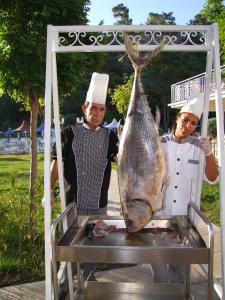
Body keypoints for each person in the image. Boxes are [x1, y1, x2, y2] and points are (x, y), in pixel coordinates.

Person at [46, 72, 118, 299]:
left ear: (105, 111)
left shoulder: (110, 136)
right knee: (70, 251)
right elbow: (56, 165)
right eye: (93, 108)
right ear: (84, 107)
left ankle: (89, 286)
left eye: (101, 109)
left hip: (99, 205)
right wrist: (48, 190)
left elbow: (121, 163)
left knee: (95, 251)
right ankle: (63, 290)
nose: (97, 113)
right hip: (73, 204)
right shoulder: (68, 133)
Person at [152, 92, 218, 283]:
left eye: (193, 123)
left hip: (186, 221)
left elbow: (213, 178)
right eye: (185, 120)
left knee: (181, 274)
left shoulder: (200, 147)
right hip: (160, 217)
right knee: (160, 273)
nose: (188, 126)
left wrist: (208, 153)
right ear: (177, 118)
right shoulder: (161, 143)